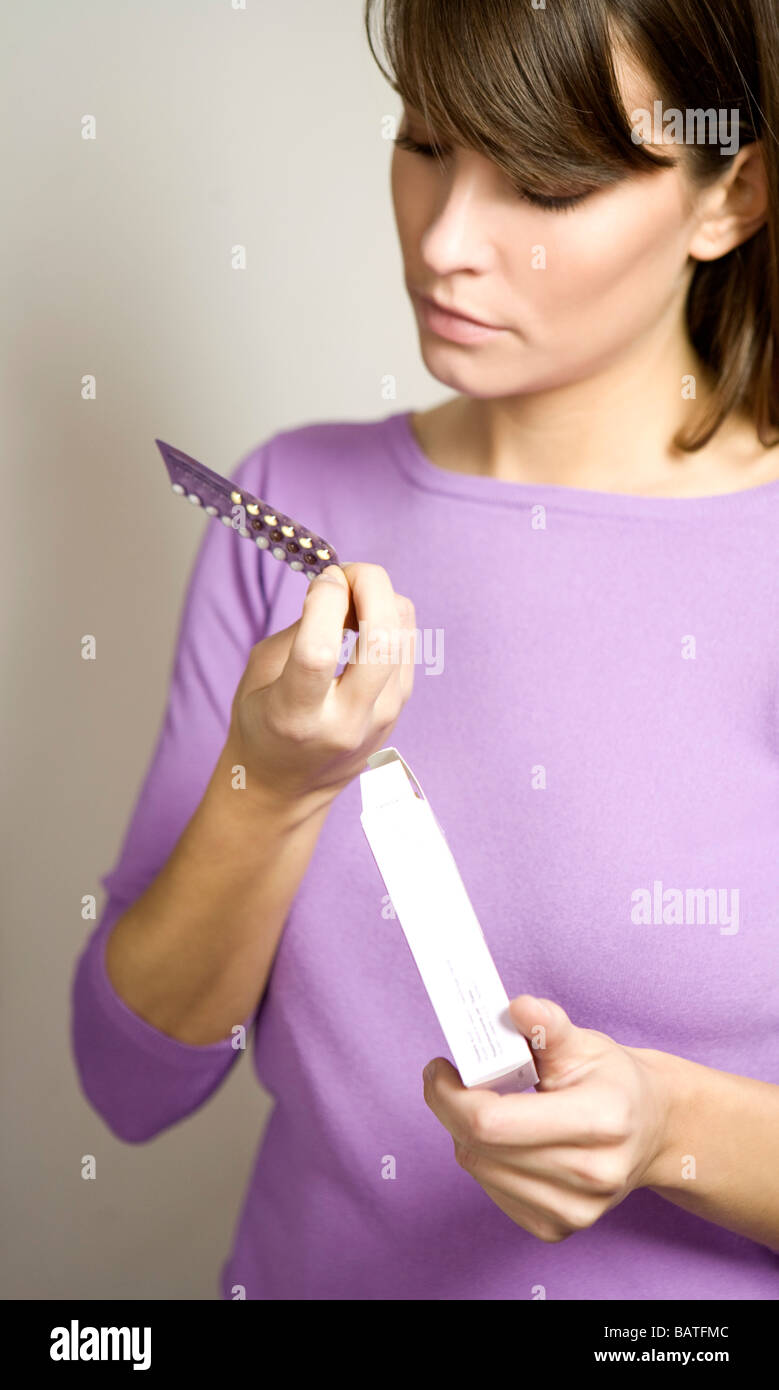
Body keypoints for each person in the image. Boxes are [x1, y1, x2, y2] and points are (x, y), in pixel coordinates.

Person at [71, 0, 779, 1299]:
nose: (446, 241)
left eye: (545, 184)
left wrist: (673, 1129)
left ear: (731, 193)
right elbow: (132, 1082)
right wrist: (269, 786)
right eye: (425, 144)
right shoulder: (287, 504)